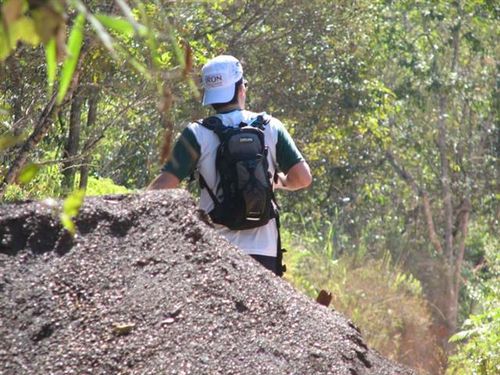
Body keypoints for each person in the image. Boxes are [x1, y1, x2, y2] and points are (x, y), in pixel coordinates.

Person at [148, 55, 312, 276]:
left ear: (211, 95)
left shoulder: (197, 133)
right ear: (241, 89)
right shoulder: (271, 127)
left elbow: (163, 187)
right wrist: (279, 182)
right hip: (264, 251)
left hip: (215, 250)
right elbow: (302, 178)